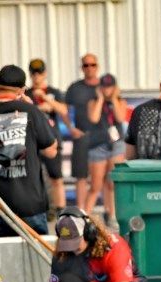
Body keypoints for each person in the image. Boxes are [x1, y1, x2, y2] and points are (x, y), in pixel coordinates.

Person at [0, 65, 57, 237]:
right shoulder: (30, 111)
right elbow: (51, 151)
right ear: (22, 90)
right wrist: (34, 110)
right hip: (29, 205)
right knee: (35, 261)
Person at [82, 73, 131, 223]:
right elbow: (94, 118)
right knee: (96, 185)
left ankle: (111, 214)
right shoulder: (93, 102)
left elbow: (120, 118)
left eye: (110, 87)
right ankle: (85, 217)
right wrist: (101, 99)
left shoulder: (120, 101)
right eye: (104, 87)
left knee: (112, 183)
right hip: (98, 146)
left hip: (116, 145)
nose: (107, 90)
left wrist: (114, 98)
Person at [27, 58, 68, 212]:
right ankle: (41, 208)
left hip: (51, 139)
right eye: (34, 73)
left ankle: (60, 209)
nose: (37, 76)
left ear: (45, 73)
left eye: (39, 73)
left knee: (56, 177)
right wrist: (39, 108)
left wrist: (45, 99)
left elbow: (63, 111)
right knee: (34, 178)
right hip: (33, 141)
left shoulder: (53, 92)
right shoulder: (27, 93)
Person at [65, 54, 102, 209]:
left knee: (104, 179)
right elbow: (64, 110)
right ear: (82, 68)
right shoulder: (75, 88)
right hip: (82, 136)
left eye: (92, 65)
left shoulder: (104, 86)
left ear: (97, 66)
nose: (89, 68)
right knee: (80, 176)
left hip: (101, 138)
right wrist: (70, 128)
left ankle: (109, 213)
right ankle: (81, 212)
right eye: (86, 65)